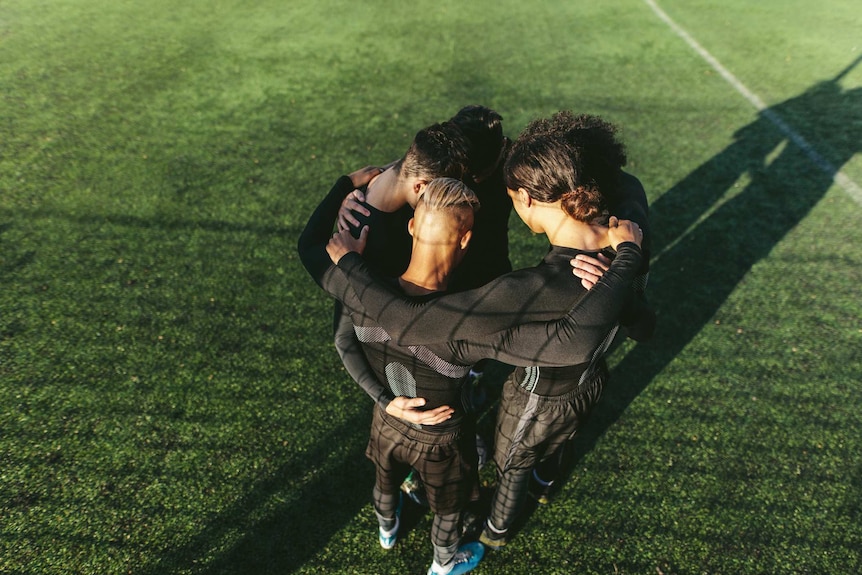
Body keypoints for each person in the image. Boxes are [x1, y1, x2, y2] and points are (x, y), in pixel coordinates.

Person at [330, 112, 655, 550]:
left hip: (537, 396)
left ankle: (495, 532)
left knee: (511, 462)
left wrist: (349, 267)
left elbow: (408, 322)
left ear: (525, 198)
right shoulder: (630, 221)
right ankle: (546, 477)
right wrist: (628, 262)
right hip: (589, 384)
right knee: (555, 446)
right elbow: (644, 324)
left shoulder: (529, 291)